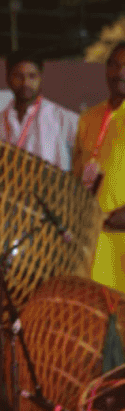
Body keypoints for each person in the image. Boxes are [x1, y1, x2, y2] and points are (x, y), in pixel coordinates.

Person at [73, 41, 125, 294]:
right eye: (114, 65)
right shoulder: (88, 119)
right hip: (88, 242)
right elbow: (76, 178)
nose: (120, 72)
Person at [0, 51, 78, 170]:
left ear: (41, 78)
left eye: (32, 76)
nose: (25, 83)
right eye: (18, 76)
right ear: (8, 78)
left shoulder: (64, 119)